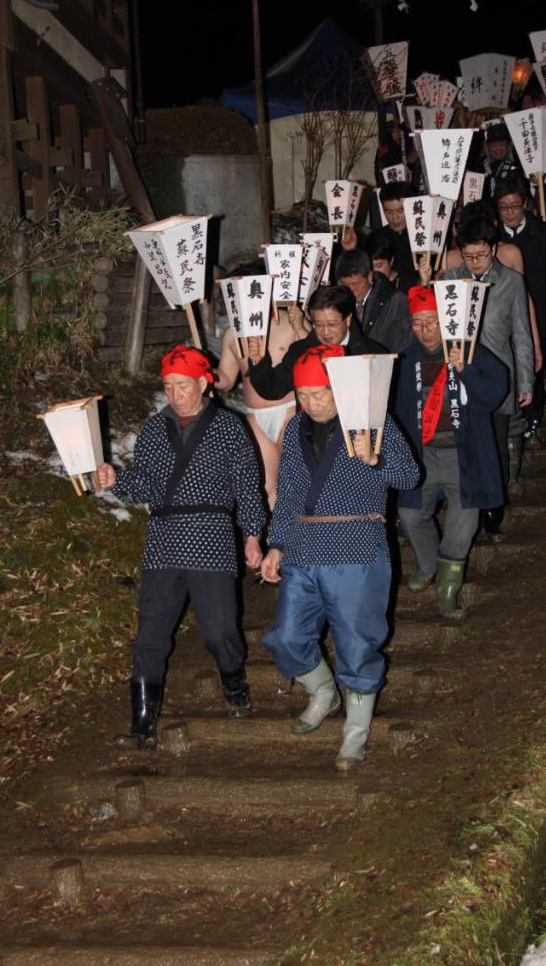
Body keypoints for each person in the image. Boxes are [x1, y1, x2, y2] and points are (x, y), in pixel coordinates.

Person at [94, 344, 266, 749]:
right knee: (151, 631)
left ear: (204, 383)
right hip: (165, 537)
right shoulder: (154, 430)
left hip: (212, 534)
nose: (175, 394)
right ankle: (142, 722)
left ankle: (233, 679)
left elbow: (246, 484)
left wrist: (253, 532)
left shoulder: (228, 427)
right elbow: (145, 487)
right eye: (169, 386)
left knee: (221, 628)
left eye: (182, 385)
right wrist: (115, 479)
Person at [260, 345, 419, 769]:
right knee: (286, 637)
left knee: (356, 641)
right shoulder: (295, 430)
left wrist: (376, 458)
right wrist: (276, 543)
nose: (311, 404)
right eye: (304, 395)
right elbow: (290, 490)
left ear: (339, 389)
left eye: (320, 395)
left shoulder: (371, 422)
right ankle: (323, 691)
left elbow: (408, 475)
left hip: (357, 546)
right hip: (304, 547)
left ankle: (355, 732)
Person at [395, 287, 508, 611]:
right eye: (417, 323)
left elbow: (494, 394)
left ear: (445, 321)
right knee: (410, 513)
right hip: (424, 454)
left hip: (463, 454)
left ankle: (448, 586)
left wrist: (465, 369)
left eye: (431, 321)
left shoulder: (469, 351)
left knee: (464, 521)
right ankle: (429, 564)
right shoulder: (406, 359)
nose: (424, 330)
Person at [439, 216, 534, 540]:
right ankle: (469, 513)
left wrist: (526, 382)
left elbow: (521, 335)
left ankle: (493, 512)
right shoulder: (450, 280)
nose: (475, 262)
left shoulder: (510, 282)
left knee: (495, 446)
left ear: (494, 249)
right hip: (460, 377)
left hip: (496, 376)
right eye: (468, 256)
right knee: (466, 445)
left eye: (481, 255)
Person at [215, 305, 308, 508]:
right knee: (266, 485)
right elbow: (227, 379)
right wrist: (205, 373)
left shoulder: (289, 321)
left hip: (289, 409)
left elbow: (311, 352)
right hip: (256, 417)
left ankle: (299, 534)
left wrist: (300, 326)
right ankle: (272, 537)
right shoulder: (233, 333)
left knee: (294, 479)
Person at [494, 176, 546, 401]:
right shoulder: (492, 238)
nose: (510, 212)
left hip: (542, 302)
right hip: (510, 309)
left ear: (525, 204)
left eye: (514, 206)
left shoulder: (543, 232)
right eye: (504, 207)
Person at [246, 285, 384, 400]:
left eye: (332, 324)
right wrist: (259, 362)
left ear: (348, 319)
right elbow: (273, 389)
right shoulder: (301, 351)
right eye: (318, 324)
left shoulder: (372, 353)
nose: (325, 332)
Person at [342, 181, 419, 291]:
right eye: (388, 211)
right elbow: (361, 273)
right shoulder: (377, 237)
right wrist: (351, 250)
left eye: (400, 210)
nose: (394, 217)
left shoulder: (423, 235)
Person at [335, 248, 412, 353]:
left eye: (356, 284)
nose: (351, 290)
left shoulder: (395, 301)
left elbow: (403, 346)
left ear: (370, 276)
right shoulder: (338, 302)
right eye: (345, 285)